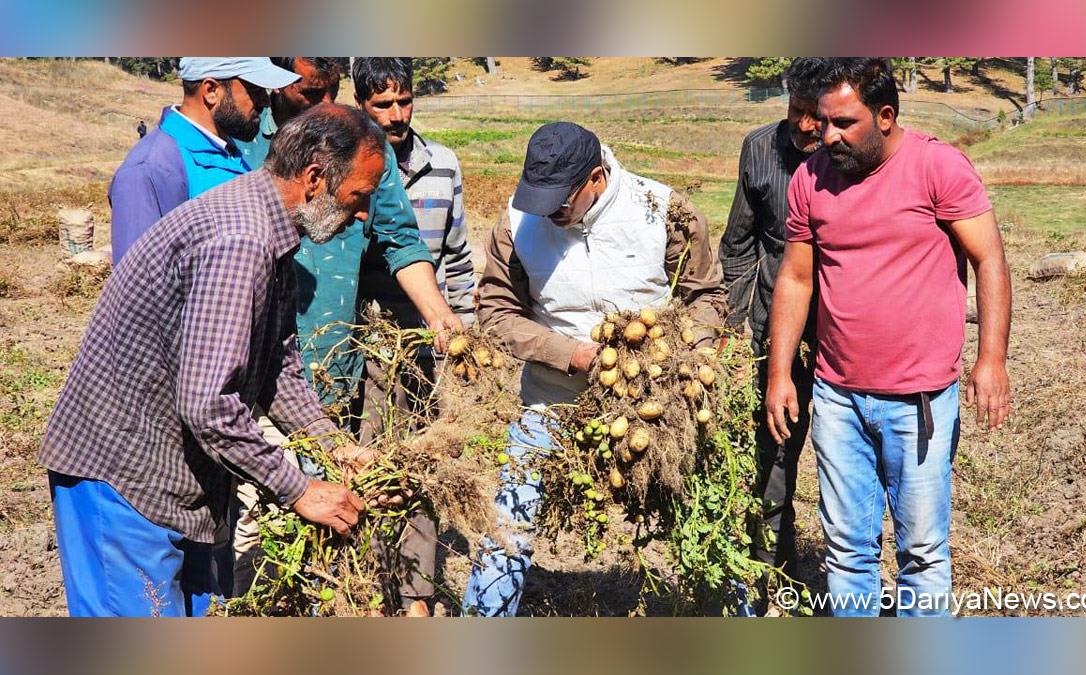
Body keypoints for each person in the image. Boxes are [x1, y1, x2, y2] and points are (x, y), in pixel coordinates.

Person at [39, 104, 385, 617]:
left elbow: (277, 368)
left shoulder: (274, 233)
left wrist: (335, 448)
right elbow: (208, 405)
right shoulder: (240, 239)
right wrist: (299, 489)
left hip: (180, 477)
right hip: (123, 479)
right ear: (315, 178)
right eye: (359, 195)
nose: (362, 214)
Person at [766, 59, 1012, 617]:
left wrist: (990, 359)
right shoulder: (810, 178)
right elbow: (797, 277)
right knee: (847, 551)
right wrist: (782, 373)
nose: (827, 136)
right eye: (822, 121)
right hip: (837, 398)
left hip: (919, 401)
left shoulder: (936, 166)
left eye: (843, 123)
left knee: (922, 553)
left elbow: (989, 258)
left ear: (884, 116)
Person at [228, 59, 461, 610]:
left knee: (332, 530)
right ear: (275, 80)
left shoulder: (359, 143)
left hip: (328, 375)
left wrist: (438, 315)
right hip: (246, 375)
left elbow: (401, 238)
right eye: (312, 92)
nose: (325, 105)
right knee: (254, 536)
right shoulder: (239, 143)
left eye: (334, 91)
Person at [467, 121, 726, 616]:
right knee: (508, 524)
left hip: (652, 406)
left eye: (559, 202)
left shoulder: (662, 210)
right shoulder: (516, 223)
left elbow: (705, 295)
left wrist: (683, 361)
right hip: (550, 400)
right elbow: (496, 312)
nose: (549, 214)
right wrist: (571, 354)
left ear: (595, 177)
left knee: (708, 515)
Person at [352, 58, 478, 615]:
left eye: (404, 101)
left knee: (421, 465)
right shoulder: (344, 164)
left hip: (424, 341)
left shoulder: (443, 166)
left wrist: (463, 340)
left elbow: (456, 260)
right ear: (360, 106)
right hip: (357, 342)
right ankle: (370, 584)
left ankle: (417, 595)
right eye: (382, 105)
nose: (396, 115)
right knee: (368, 462)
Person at [718, 57, 825, 612]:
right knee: (773, 456)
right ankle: (771, 576)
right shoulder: (759, 149)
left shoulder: (847, 152)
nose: (807, 127)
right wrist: (736, 332)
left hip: (836, 337)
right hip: (769, 330)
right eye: (798, 112)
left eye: (817, 115)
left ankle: (841, 574)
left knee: (837, 456)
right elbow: (737, 246)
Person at [108, 57, 299, 265]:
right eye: (254, 90)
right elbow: (137, 282)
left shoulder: (225, 149)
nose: (264, 101)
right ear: (211, 91)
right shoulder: (149, 170)